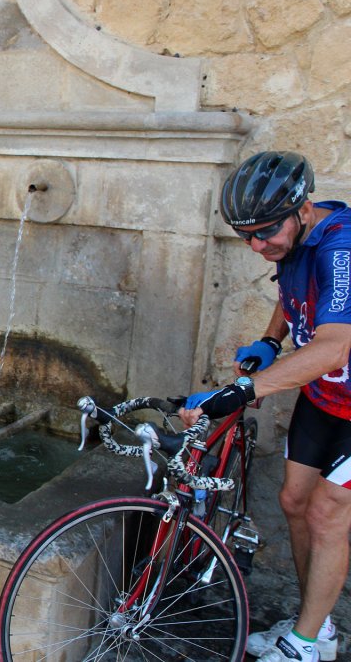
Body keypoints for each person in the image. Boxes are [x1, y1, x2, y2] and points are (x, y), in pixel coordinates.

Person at [180, 151, 351, 662]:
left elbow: (333, 346)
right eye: (246, 235)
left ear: (301, 209)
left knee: (326, 513)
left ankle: (303, 645)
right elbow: (293, 295)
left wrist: (242, 391)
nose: (257, 246)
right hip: (328, 400)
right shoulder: (293, 242)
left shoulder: (341, 247)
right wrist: (271, 341)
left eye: (266, 233)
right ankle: (314, 629)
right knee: (295, 501)